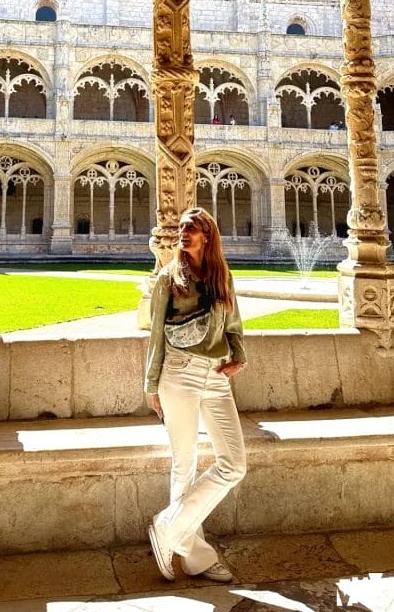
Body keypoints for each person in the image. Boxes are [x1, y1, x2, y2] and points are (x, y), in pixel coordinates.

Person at [145, 207, 247, 584]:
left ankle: (167, 528)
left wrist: (239, 354)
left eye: (192, 228)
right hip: (179, 374)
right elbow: (156, 335)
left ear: (208, 235)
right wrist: (151, 385)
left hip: (217, 376)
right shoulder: (169, 279)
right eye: (182, 228)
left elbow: (233, 322)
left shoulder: (222, 276)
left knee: (234, 464)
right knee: (183, 464)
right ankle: (197, 558)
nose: (183, 233)